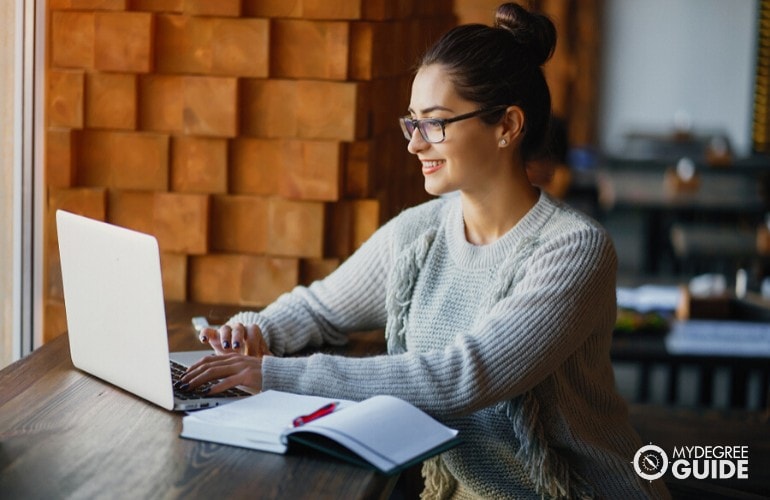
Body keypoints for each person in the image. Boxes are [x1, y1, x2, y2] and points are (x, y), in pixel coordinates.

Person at [180, 3, 669, 499]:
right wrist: (252, 334)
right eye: (411, 123)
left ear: (507, 126)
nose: (414, 145)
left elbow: (463, 377)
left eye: (434, 124)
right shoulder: (419, 233)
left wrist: (274, 375)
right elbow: (320, 307)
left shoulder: (573, 250)